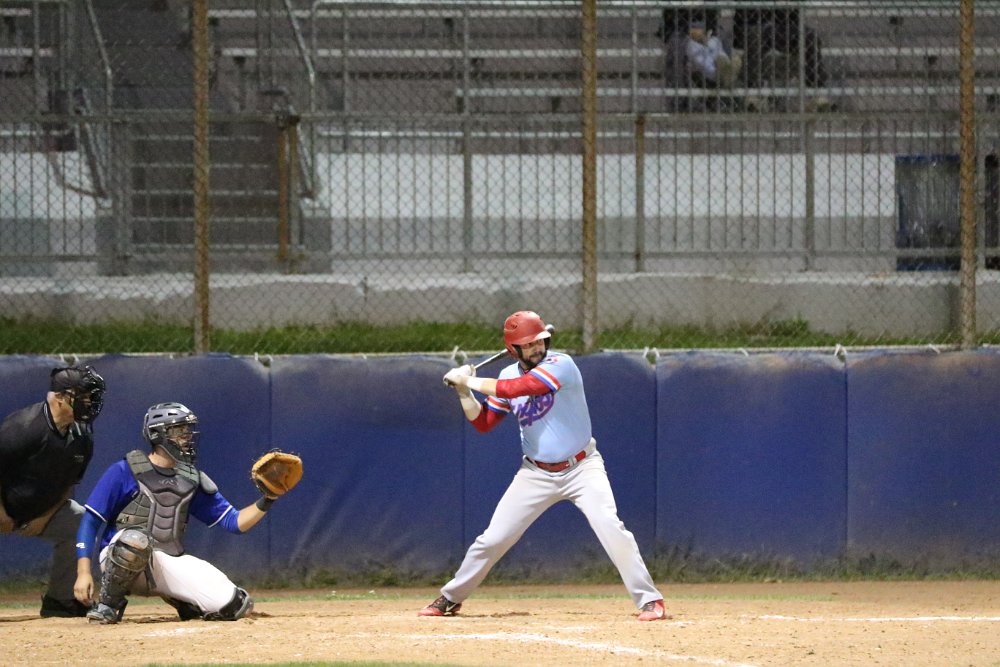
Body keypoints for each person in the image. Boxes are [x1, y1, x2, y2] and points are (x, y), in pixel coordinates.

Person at [421, 311, 666, 622]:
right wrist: (463, 391)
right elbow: (483, 422)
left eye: (539, 341)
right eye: (528, 344)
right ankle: (451, 597)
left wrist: (468, 379)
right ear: (513, 350)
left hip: (582, 467)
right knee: (493, 538)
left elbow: (519, 388)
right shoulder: (507, 375)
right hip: (535, 473)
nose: (536, 347)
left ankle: (650, 600)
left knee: (610, 526)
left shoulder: (561, 364)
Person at [73, 402, 283, 624]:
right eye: (179, 431)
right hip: (119, 559)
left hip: (164, 561)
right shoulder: (124, 471)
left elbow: (234, 522)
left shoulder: (191, 479)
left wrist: (268, 499)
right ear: (157, 435)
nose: (187, 437)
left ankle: (182, 598)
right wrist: (83, 572)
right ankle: (108, 604)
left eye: (188, 430)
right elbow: (90, 522)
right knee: (135, 540)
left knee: (235, 605)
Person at [0, 365, 106, 618]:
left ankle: (61, 601)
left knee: (80, 522)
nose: (89, 403)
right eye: (82, 396)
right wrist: (2, 513)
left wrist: (44, 517)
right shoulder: (24, 427)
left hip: (37, 510)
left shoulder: (82, 435)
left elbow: (67, 484)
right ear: (59, 398)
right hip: (3, 504)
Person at [732, 2, 831, 110]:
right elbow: (746, 15)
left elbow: (793, 15)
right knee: (756, 35)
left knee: (811, 37)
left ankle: (818, 93)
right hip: (754, 25)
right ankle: (753, 93)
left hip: (782, 27)